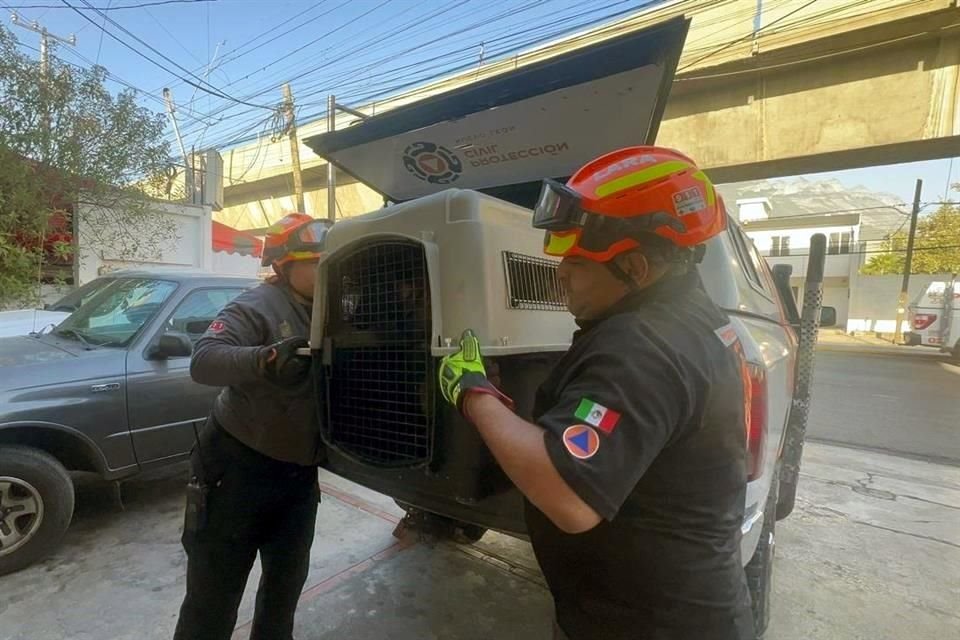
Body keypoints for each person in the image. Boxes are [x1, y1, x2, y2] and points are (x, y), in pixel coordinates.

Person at [438, 146, 755, 639]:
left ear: (636, 267)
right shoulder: (689, 317)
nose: (560, 272)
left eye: (577, 261)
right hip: (665, 607)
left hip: (647, 624)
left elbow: (569, 498)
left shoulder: (642, 346)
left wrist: (472, 392)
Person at [173, 213, 330, 640]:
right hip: (236, 471)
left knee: (284, 591)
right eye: (316, 262)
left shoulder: (332, 308)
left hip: (297, 478)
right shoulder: (257, 305)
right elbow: (204, 360)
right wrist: (264, 360)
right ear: (284, 265)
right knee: (212, 599)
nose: (327, 270)